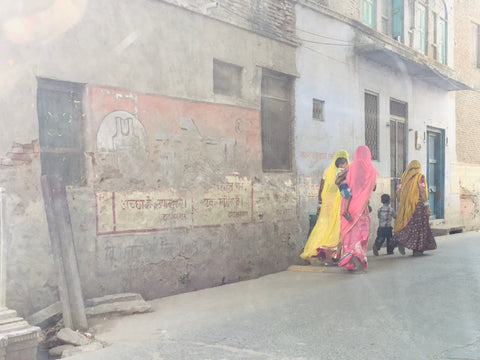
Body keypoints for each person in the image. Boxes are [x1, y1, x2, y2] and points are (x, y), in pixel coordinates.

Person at [300, 150, 350, 265]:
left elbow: (321, 188)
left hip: (327, 205)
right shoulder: (346, 172)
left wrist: (320, 204)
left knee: (324, 228)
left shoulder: (327, 171)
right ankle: (334, 256)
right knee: (337, 229)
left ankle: (324, 255)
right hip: (339, 204)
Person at [339, 145, 378, 271]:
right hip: (361, 206)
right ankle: (359, 254)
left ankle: (349, 257)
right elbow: (373, 187)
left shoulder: (350, 167)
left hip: (348, 204)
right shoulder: (371, 170)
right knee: (362, 231)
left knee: (349, 231)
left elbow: (338, 180)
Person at [393, 160, 437, 256]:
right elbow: (422, 190)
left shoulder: (403, 178)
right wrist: (427, 205)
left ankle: (400, 240)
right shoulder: (420, 177)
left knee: (408, 226)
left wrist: (403, 203)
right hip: (418, 206)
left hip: (406, 207)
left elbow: (398, 191)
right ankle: (417, 249)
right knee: (419, 228)